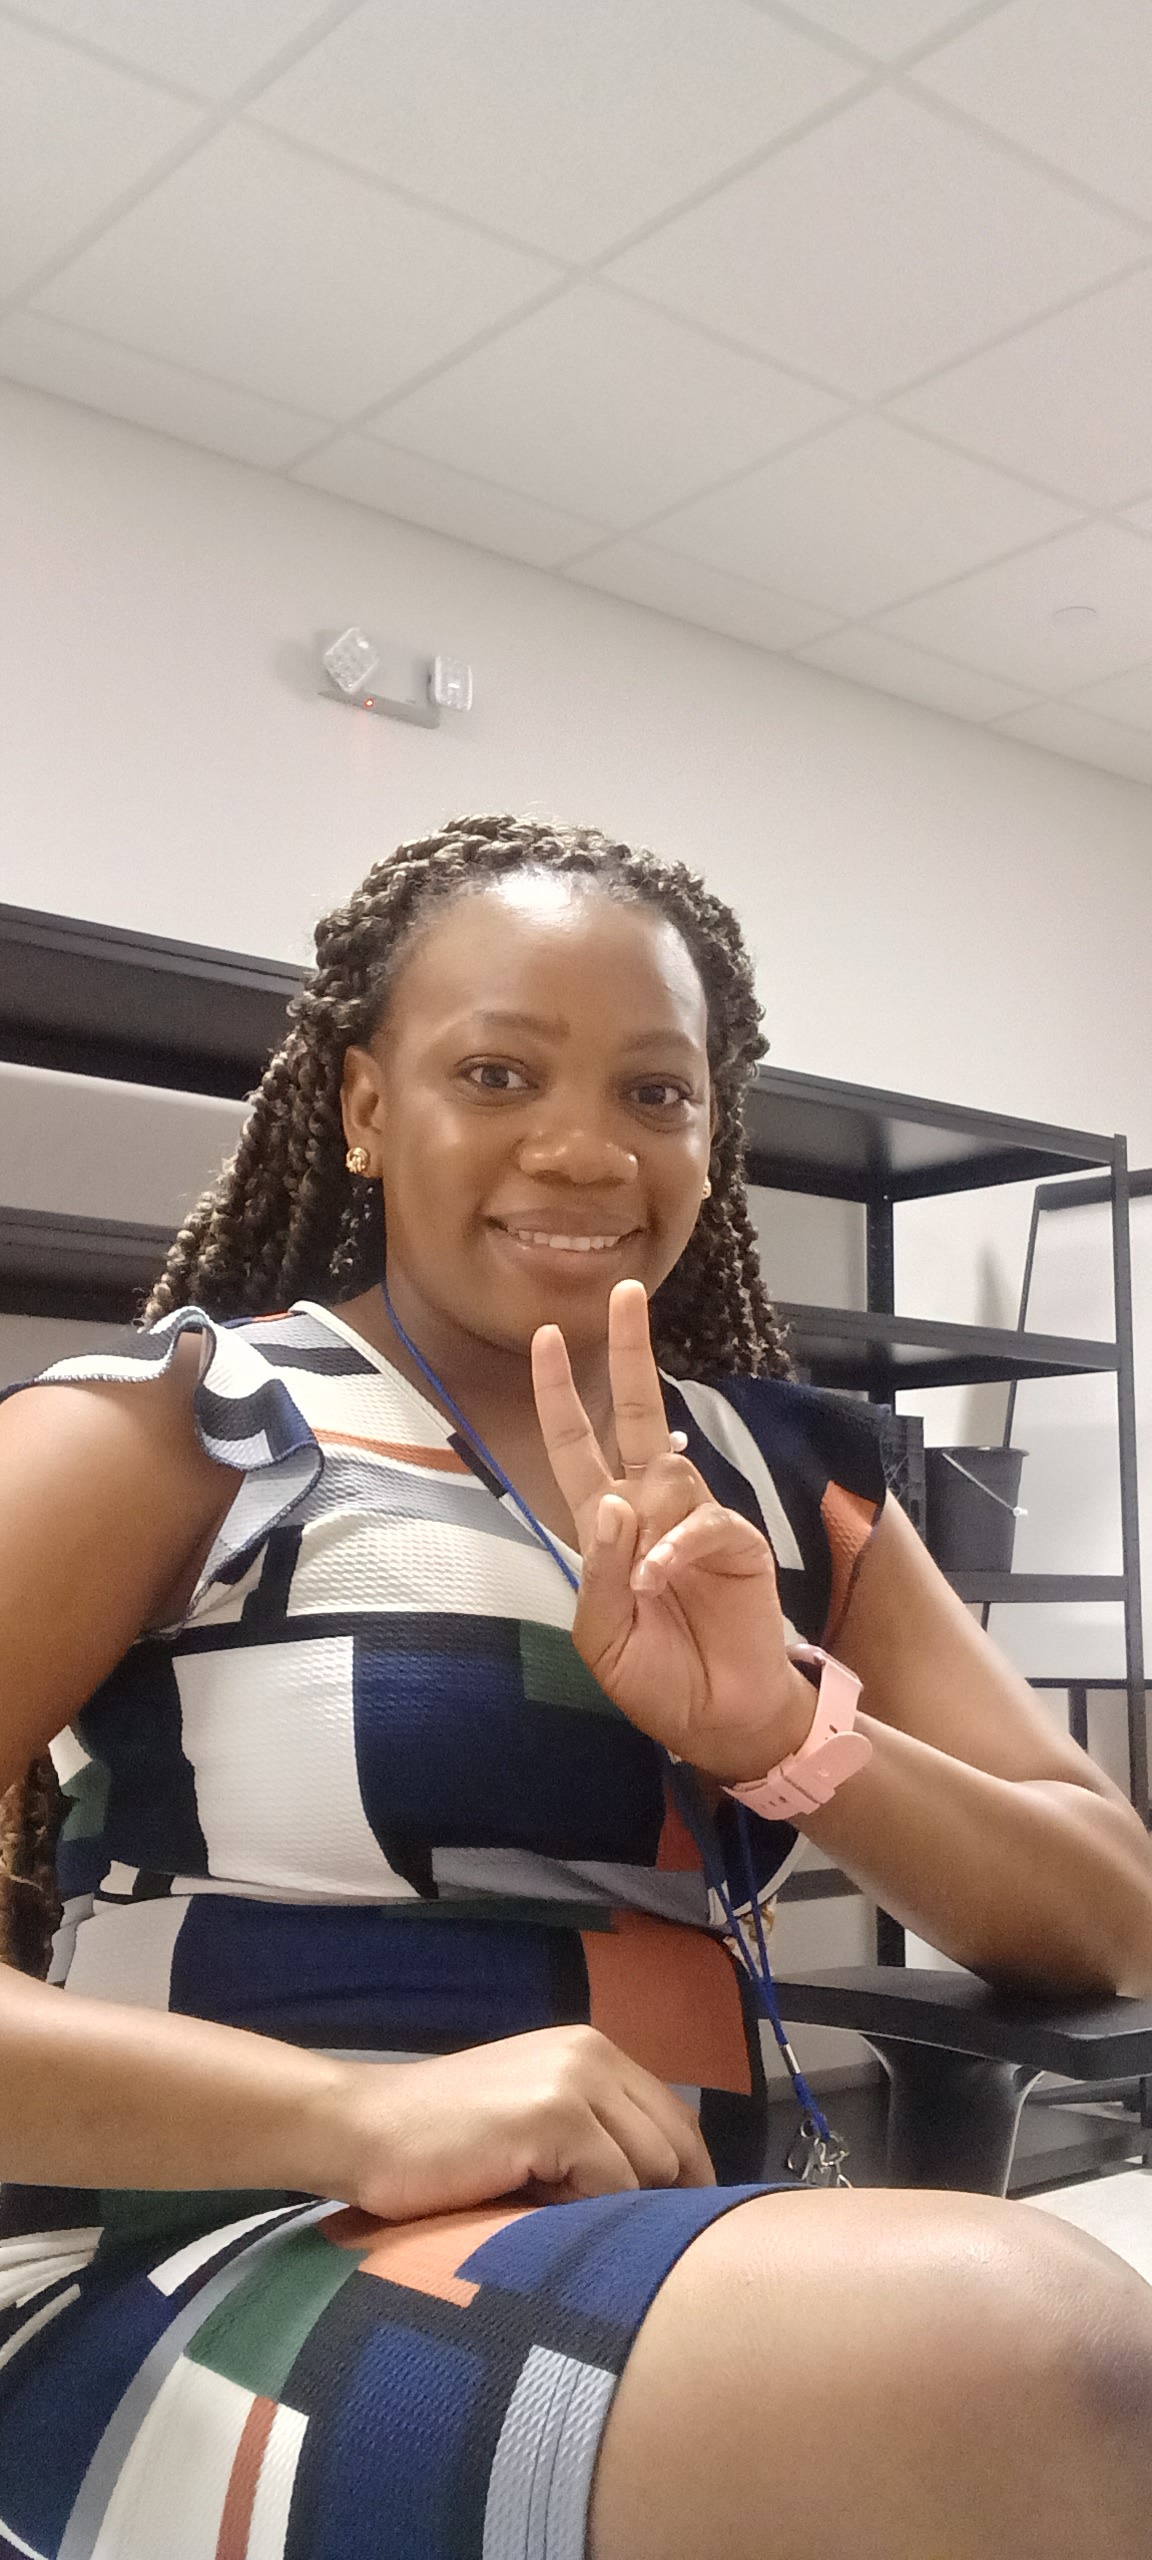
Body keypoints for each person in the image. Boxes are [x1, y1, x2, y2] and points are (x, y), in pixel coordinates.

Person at [0, 812, 1151, 2560]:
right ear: (366, 1108)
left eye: (654, 1092)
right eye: (497, 1072)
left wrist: (787, 1734)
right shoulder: (179, 1427)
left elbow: (1114, 1914)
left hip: (666, 2260)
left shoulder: (788, 1489)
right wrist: (360, 2115)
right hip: (215, 2251)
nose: (584, 1149)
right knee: (1039, 2357)